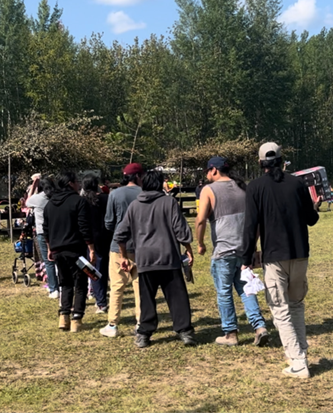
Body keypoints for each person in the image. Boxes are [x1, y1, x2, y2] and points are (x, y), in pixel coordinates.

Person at [243, 142, 319, 379]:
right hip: (300, 253)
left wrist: (246, 257)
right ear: (282, 160)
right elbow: (311, 219)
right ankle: (301, 354)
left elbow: (250, 225)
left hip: (274, 256)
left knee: (279, 309)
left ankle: (297, 361)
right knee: (296, 305)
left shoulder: (255, 187)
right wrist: (314, 206)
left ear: (260, 162)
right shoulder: (297, 183)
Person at [114, 170, 196, 348]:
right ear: (160, 184)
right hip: (168, 257)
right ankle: (185, 332)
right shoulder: (169, 202)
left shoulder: (135, 206)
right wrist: (188, 249)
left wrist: (123, 257)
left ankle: (144, 333)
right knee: (177, 297)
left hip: (144, 260)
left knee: (147, 299)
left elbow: (120, 234)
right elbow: (180, 229)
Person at [195, 157, 268, 347]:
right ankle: (259, 327)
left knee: (224, 292)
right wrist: (253, 246)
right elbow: (257, 220)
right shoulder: (243, 187)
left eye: (207, 171)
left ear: (214, 170)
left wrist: (200, 243)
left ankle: (230, 333)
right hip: (244, 249)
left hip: (224, 251)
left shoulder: (208, 190)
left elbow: (201, 220)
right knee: (247, 290)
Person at [43, 171, 95, 333]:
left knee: (64, 283)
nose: (79, 184)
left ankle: (63, 317)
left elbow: (46, 229)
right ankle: (76, 319)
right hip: (75, 249)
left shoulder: (50, 204)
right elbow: (84, 227)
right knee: (80, 284)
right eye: (77, 181)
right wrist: (91, 248)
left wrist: (50, 248)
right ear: (70, 183)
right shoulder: (79, 202)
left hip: (57, 250)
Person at [100, 163, 144, 338]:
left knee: (117, 286)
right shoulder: (144, 194)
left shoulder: (115, 194)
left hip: (118, 247)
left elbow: (109, 222)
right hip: (141, 247)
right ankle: (141, 322)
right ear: (139, 176)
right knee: (140, 287)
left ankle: (112, 324)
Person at [82, 175, 113, 314]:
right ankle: (101, 296)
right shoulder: (106, 198)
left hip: (88, 238)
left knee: (91, 268)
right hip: (106, 236)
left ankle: (99, 300)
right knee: (104, 267)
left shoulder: (82, 201)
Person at [26, 175, 58, 298]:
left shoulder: (37, 198)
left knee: (48, 261)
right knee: (59, 259)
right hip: (57, 231)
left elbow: (28, 200)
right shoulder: (56, 197)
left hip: (42, 232)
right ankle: (61, 285)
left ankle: (53, 288)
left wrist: (34, 183)